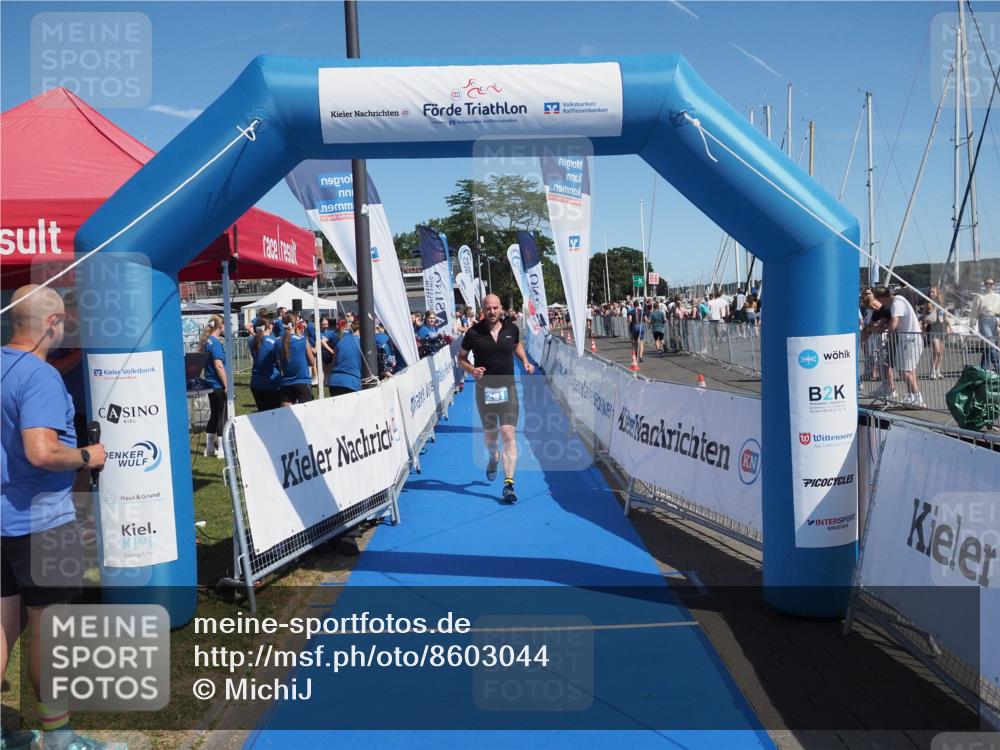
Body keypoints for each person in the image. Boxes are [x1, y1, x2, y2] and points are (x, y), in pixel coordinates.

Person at [2, 285, 112, 750]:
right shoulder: (40, 376)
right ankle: (60, 738)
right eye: (64, 321)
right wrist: (89, 455)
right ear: (51, 323)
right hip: (42, 522)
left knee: (4, 629)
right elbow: (42, 451)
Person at [458, 294, 535, 504]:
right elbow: (461, 358)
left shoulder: (511, 329)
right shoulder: (473, 333)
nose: (492, 311)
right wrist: (472, 370)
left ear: (500, 308)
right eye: (488, 308)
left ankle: (508, 484)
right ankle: (494, 457)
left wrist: (525, 361)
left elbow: (516, 345)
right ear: (482, 310)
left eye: (495, 308)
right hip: (485, 391)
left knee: (508, 433)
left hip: (508, 388)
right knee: (491, 437)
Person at [875, 286, 924, 407]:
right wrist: (885, 329)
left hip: (910, 340)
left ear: (883, 297)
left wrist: (886, 333)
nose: (881, 304)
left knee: (903, 370)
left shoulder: (896, 303)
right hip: (909, 339)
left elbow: (895, 321)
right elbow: (894, 321)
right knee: (909, 370)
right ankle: (911, 396)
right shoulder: (899, 300)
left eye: (880, 300)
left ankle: (918, 397)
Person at [200, 314, 228, 458]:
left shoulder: (207, 341)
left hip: (210, 383)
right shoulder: (215, 343)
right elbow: (218, 365)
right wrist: (226, 384)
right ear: (220, 326)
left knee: (214, 414)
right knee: (221, 415)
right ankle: (222, 449)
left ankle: (209, 448)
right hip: (218, 384)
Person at [276, 312, 315, 406]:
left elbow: (279, 363)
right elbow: (312, 362)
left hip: (286, 382)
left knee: (286, 414)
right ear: (295, 324)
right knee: (306, 413)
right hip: (302, 381)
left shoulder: (277, 342)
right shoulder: (302, 340)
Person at [248, 314, 281, 411]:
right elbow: (279, 362)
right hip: (271, 382)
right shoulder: (274, 342)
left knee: (262, 412)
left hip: (256, 382)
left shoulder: (251, 341)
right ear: (269, 326)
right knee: (274, 413)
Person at [327, 319, 363, 396]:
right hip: (352, 383)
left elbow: (333, 362)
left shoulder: (341, 341)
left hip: (334, 382)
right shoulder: (364, 343)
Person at [971, 278, 1000, 371]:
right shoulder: (979, 296)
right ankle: (998, 366)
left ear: (994, 285)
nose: (988, 285)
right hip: (984, 320)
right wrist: (972, 324)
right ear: (984, 284)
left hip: (994, 320)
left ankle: (984, 368)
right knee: (991, 343)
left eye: (991, 283)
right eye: (987, 283)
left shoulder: (998, 297)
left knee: (988, 345)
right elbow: (974, 311)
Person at [923, 287, 951, 380]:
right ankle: (932, 371)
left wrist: (950, 327)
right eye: (930, 292)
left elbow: (946, 317)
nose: (931, 294)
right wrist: (923, 329)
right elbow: (924, 317)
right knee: (936, 351)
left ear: (937, 293)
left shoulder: (942, 304)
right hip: (933, 329)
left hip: (942, 328)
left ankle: (937, 370)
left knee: (941, 353)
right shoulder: (928, 304)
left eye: (933, 292)